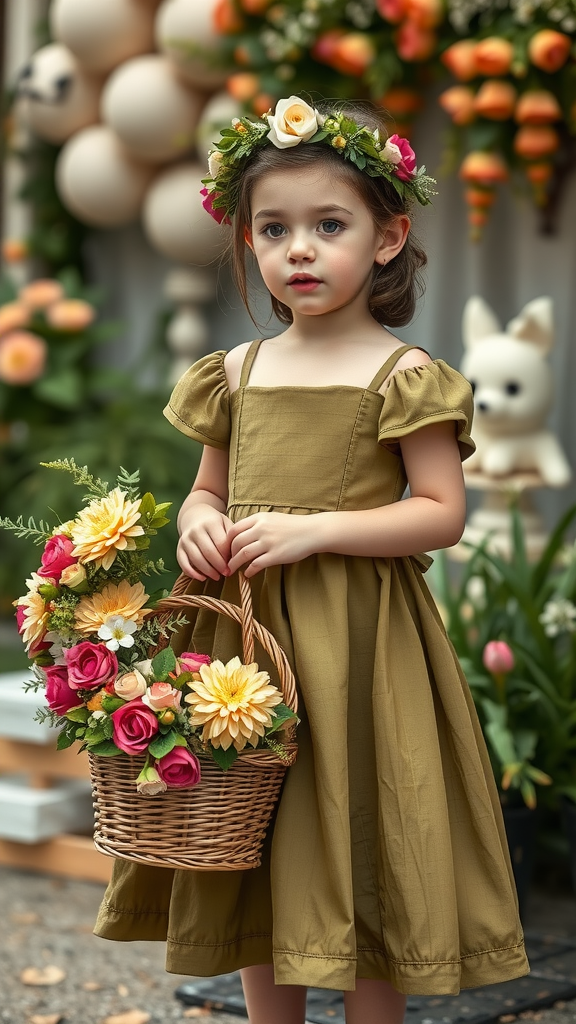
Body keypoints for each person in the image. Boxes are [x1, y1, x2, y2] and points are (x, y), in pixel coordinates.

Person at [94, 96, 529, 1024]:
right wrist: (196, 524)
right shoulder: (236, 374)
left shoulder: (403, 376)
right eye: (275, 228)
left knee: (363, 838)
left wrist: (315, 527)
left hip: (362, 651)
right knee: (254, 840)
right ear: (248, 242)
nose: (300, 248)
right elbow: (209, 491)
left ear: (386, 236)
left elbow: (441, 514)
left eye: (329, 225)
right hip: (243, 651)